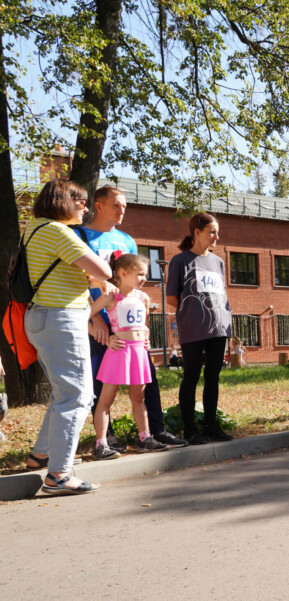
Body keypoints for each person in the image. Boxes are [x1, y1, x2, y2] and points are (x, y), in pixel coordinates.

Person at [81, 185, 187, 450]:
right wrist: (96, 323)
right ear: (99, 206)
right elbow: (77, 281)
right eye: (116, 205)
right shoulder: (81, 235)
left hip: (130, 329)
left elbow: (135, 279)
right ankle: (107, 438)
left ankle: (153, 431)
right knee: (102, 383)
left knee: (145, 379)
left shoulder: (126, 240)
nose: (122, 210)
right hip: (100, 322)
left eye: (125, 206)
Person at [22, 179, 111, 494]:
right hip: (60, 317)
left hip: (46, 316)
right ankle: (58, 474)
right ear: (62, 200)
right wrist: (95, 270)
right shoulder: (57, 232)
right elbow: (105, 271)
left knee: (64, 392)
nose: (85, 208)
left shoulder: (35, 230)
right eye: (81, 201)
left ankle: (41, 455)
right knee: (78, 395)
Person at [90, 253, 168, 457]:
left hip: (138, 353)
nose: (144, 278)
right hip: (118, 352)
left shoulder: (144, 297)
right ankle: (101, 443)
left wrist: (147, 337)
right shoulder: (110, 296)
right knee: (106, 399)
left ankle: (145, 437)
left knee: (139, 397)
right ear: (123, 273)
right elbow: (82, 317)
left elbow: (144, 325)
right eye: (140, 274)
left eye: (145, 274)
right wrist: (106, 338)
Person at [166, 213, 233, 445]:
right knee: (191, 375)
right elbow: (172, 298)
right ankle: (190, 429)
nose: (217, 236)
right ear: (197, 232)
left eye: (217, 232)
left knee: (213, 377)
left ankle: (212, 426)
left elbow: (220, 295)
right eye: (212, 232)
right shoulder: (180, 260)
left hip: (219, 328)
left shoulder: (218, 262)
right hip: (193, 329)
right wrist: (194, 313)